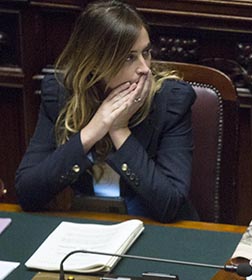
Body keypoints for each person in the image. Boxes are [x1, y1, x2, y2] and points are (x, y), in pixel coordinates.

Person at [15, 0, 199, 222]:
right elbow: (27, 193)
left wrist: (119, 130)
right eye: (129, 57)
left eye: (146, 52)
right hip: (87, 227)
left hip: (155, 229)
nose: (144, 68)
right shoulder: (61, 94)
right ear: (94, 63)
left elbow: (170, 204)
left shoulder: (170, 100)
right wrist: (93, 131)